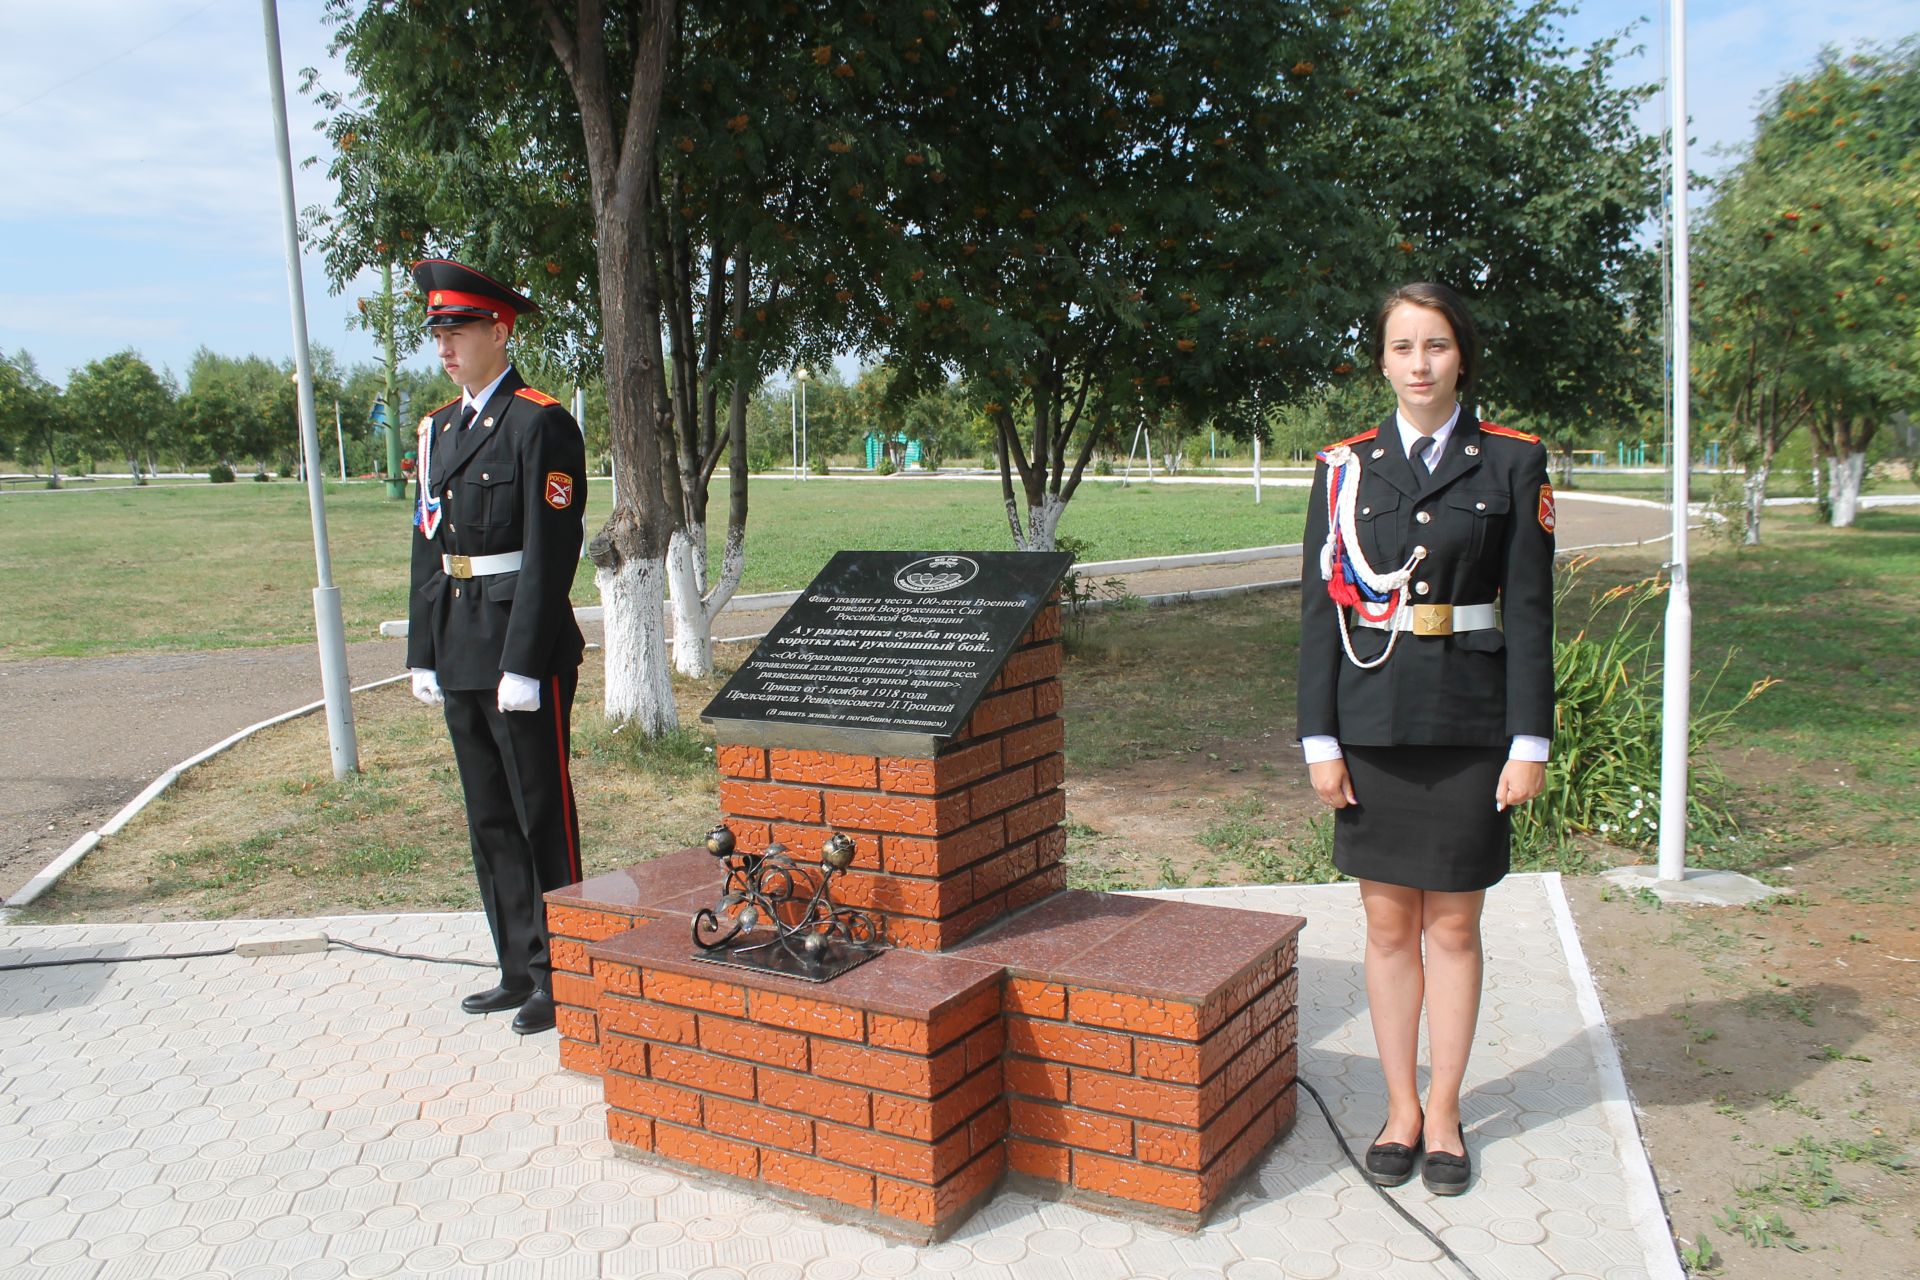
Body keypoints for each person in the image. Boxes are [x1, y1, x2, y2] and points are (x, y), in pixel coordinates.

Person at [1296, 281, 1555, 1195]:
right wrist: (1317, 741)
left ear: (1461, 356)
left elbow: (1528, 611)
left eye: (1436, 346)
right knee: (1385, 921)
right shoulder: (1344, 468)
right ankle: (1398, 1106)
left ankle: (1444, 1110)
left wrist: (1530, 741)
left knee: (1453, 922)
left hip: (1470, 723)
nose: (1419, 364)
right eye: (1402, 347)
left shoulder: (1512, 462)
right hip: (1371, 720)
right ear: (1382, 359)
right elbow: (1317, 617)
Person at [406, 257, 588, 1036]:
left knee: (538, 812)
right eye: (437, 331)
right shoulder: (439, 428)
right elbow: (427, 542)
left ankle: (565, 973)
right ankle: (517, 966)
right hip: (459, 638)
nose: (444, 346)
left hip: (522, 646)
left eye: (458, 329)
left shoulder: (539, 421)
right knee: (488, 816)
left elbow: (553, 551)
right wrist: (422, 650)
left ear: (498, 329)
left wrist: (522, 662)